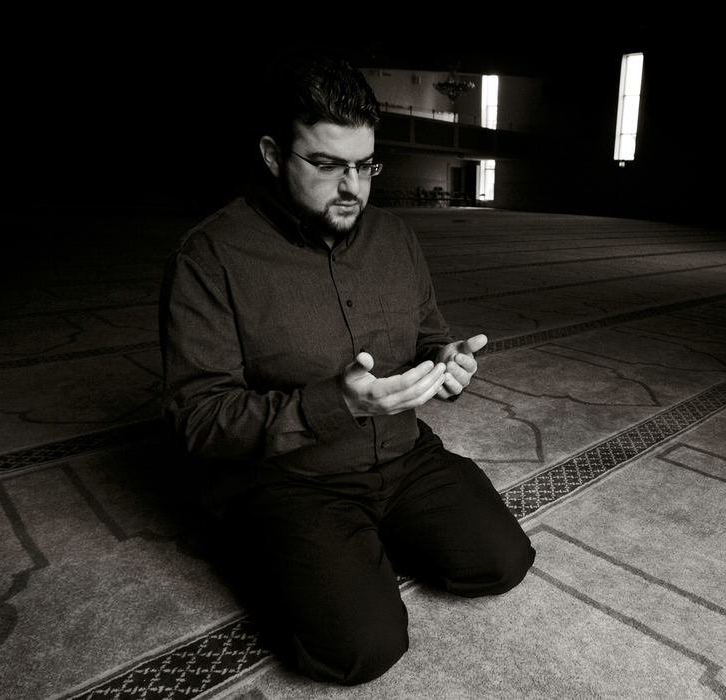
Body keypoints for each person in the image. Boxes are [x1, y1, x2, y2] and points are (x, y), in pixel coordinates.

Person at [158, 47, 535, 685]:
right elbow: (199, 421)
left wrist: (447, 367)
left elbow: (431, 336)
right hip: (291, 480)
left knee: (501, 563)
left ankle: (356, 549)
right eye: (328, 165)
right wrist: (340, 404)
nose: (353, 187)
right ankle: (275, 548)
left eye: (365, 165)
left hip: (403, 455)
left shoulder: (395, 237)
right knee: (360, 649)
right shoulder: (210, 256)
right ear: (274, 155)